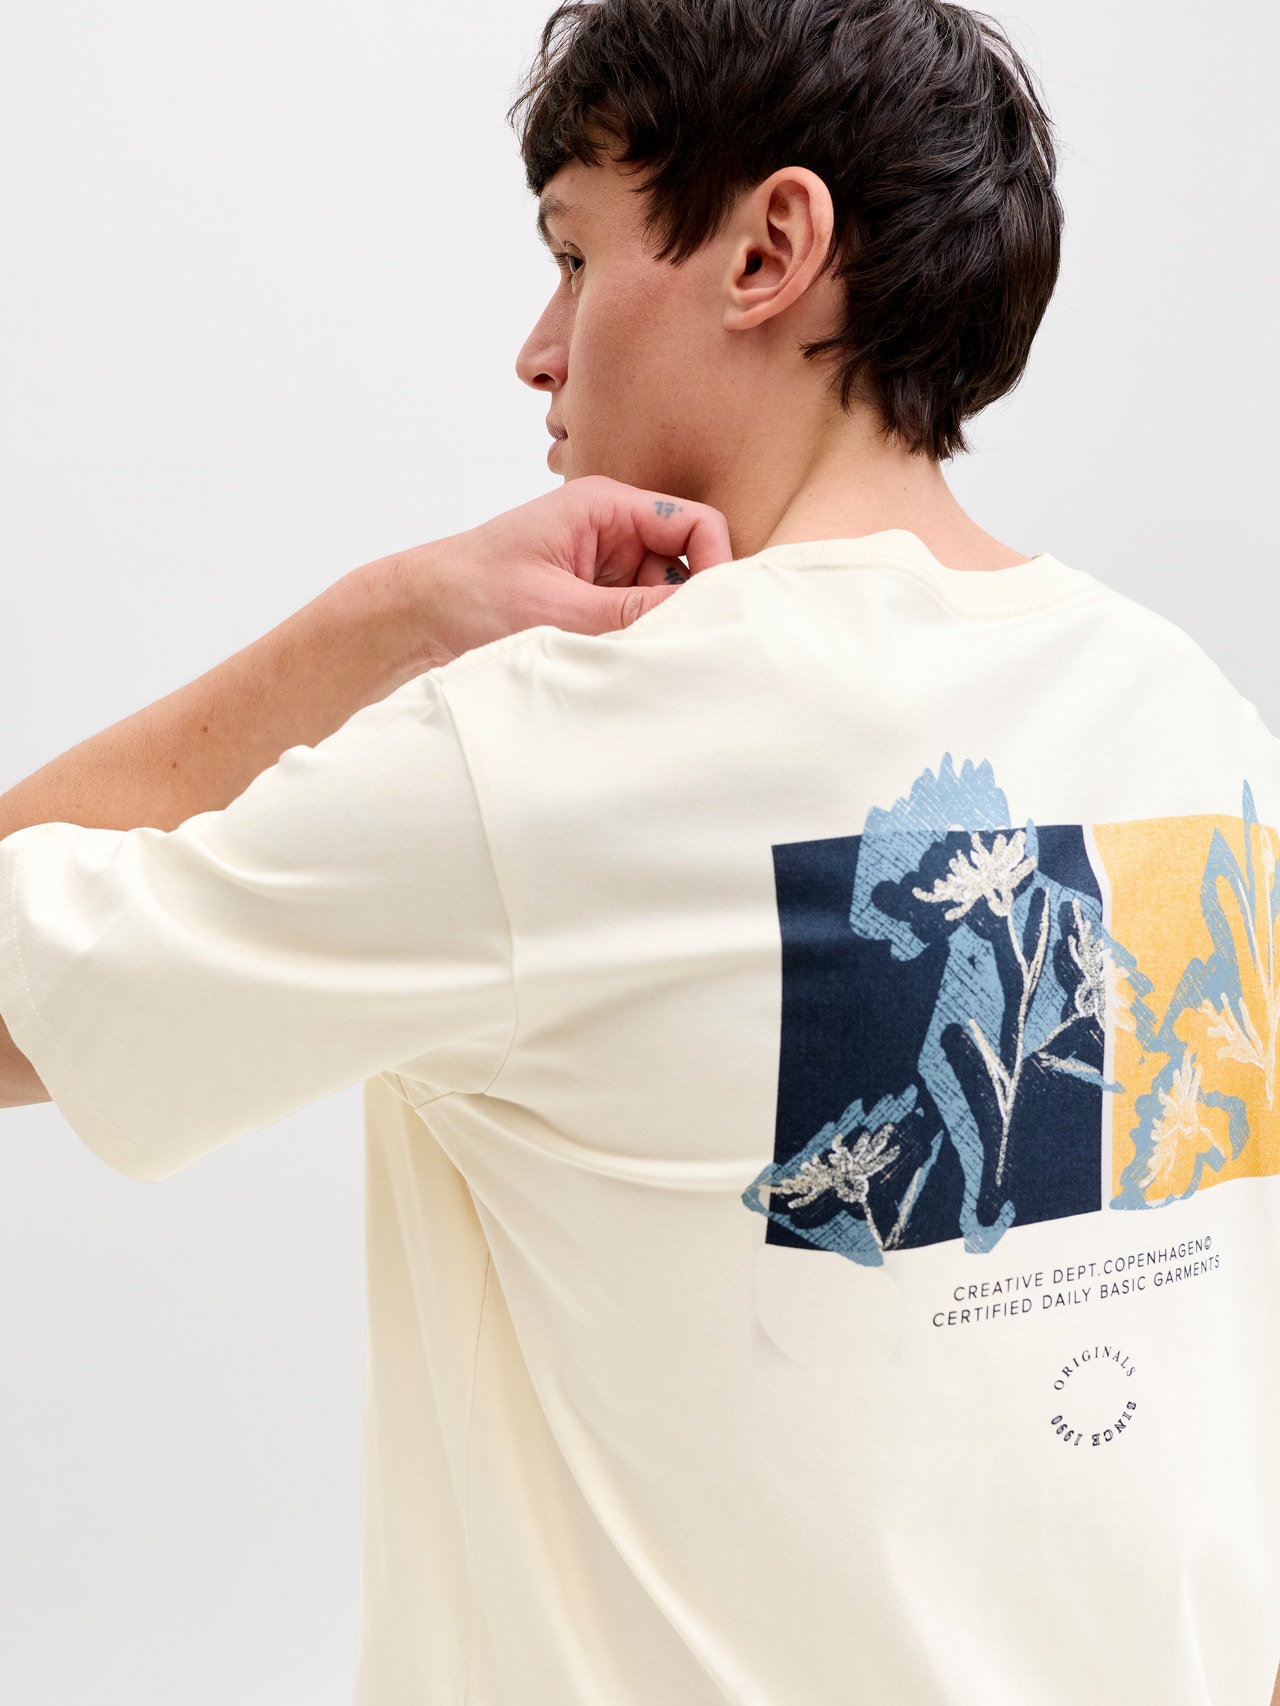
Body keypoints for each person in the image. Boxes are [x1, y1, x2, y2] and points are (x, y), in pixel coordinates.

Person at [2, 0, 1277, 1701]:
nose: (540, 349)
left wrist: (381, 620)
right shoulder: (1198, 724)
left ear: (769, 248)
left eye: (575, 256)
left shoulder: (557, 752)